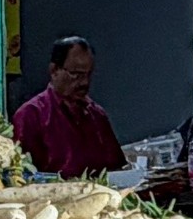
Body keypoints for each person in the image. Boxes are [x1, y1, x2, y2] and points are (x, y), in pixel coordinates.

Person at [14, 38, 121, 177]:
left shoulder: (97, 115)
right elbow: (21, 174)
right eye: (76, 74)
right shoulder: (31, 115)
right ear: (54, 70)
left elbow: (117, 168)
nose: (84, 82)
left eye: (88, 74)